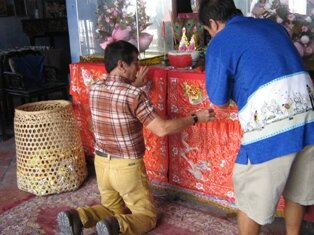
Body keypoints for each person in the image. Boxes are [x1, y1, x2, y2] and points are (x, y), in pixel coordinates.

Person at [57, 40, 216, 235]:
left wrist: (135, 85)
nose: (138, 69)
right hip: (126, 168)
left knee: (112, 207)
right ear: (122, 65)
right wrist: (195, 117)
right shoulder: (134, 95)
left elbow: (117, 95)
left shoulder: (95, 87)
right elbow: (162, 128)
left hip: (101, 165)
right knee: (147, 216)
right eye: (135, 64)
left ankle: (78, 217)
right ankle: (117, 227)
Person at [198, 0, 314, 235]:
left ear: (212, 23)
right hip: (309, 113)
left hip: (272, 123)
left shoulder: (221, 41)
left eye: (208, 30)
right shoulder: (271, 27)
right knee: (298, 190)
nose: (210, 34)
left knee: (252, 199)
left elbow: (218, 100)